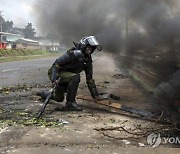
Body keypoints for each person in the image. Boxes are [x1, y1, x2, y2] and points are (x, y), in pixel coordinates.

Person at [37, 36, 102, 111]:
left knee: (58, 98)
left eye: (91, 48)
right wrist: (54, 79)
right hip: (58, 73)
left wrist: (95, 95)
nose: (89, 50)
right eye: (88, 47)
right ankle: (70, 103)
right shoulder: (73, 54)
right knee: (75, 77)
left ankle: (43, 93)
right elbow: (56, 64)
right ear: (84, 46)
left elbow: (89, 79)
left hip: (68, 76)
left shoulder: (87, 60)